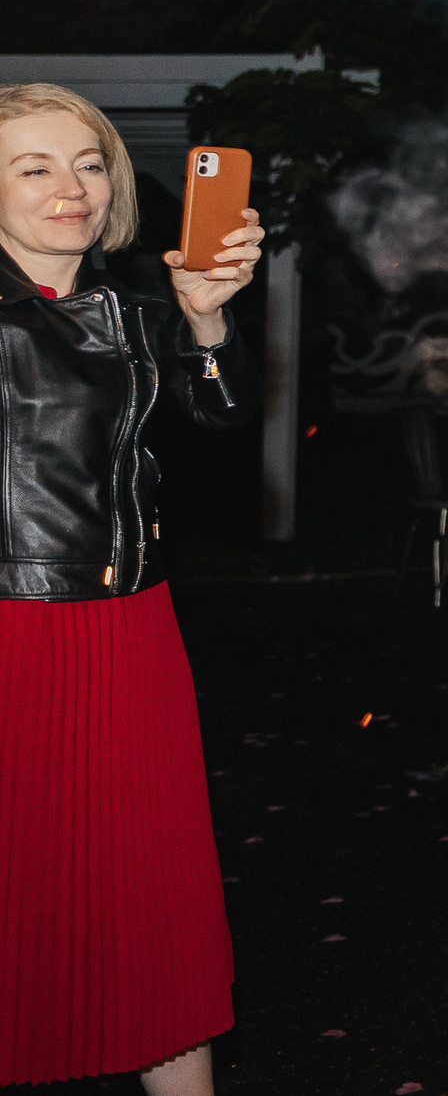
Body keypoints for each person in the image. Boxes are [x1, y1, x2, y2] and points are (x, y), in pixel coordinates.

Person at [0, 84, 264, 1094]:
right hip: (14, 638)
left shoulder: (141, 311)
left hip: (132, 637)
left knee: (154, 909)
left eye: (89, 163)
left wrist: (206, 318)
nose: (70, 189)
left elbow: (226, 418)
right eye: (33, 167)